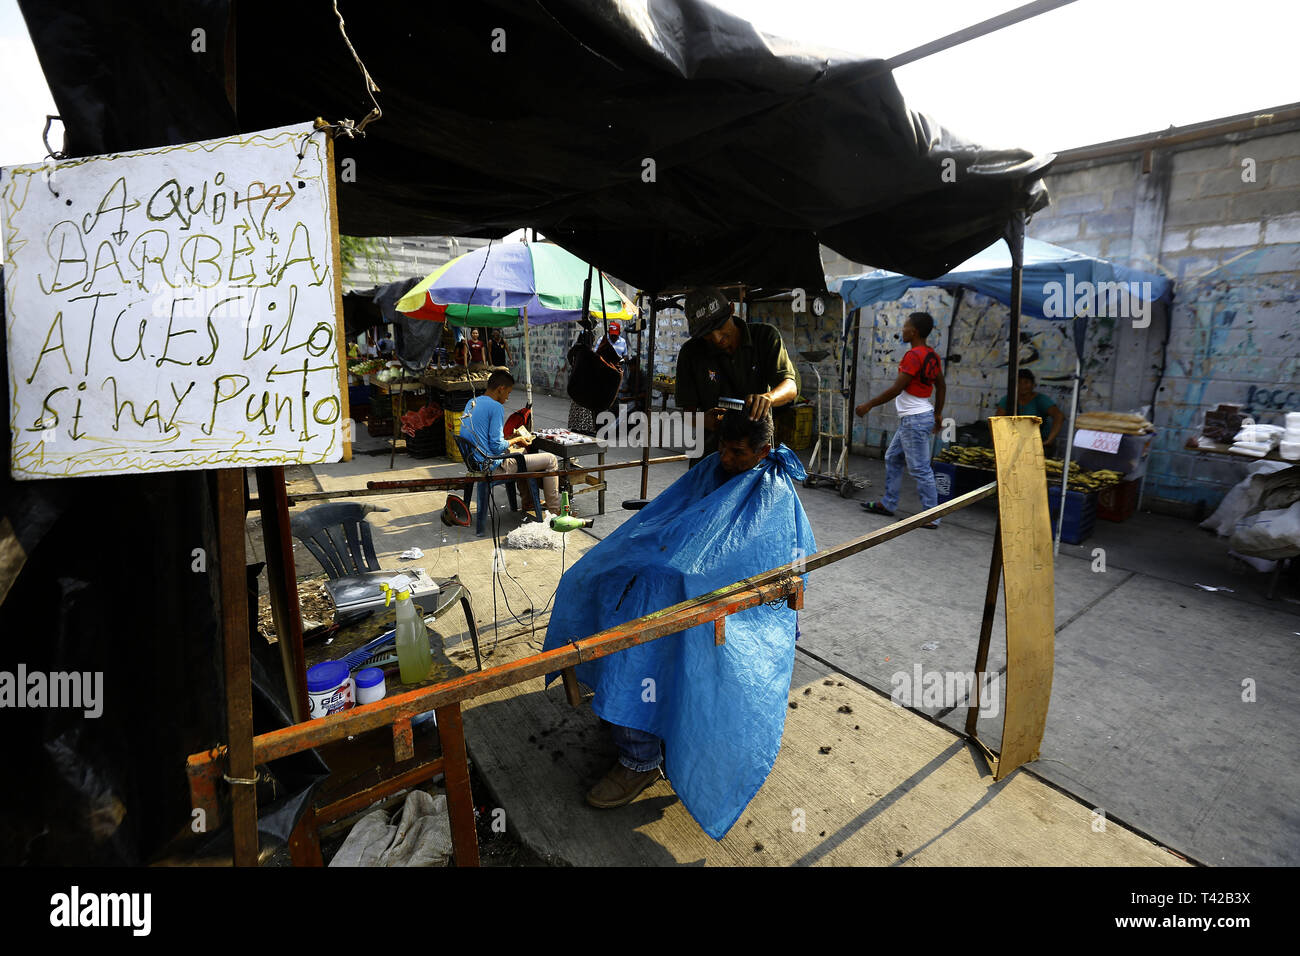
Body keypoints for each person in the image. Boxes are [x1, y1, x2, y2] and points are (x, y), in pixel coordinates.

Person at [675, 286, 797, 467]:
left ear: (732, 309)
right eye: (707, 334)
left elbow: (790, 386)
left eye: (719, 326)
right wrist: (704, 420)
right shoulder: (691, 353)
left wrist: (768, 398)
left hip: (755, 456)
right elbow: (687, 415)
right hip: (711, 456)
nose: (716, 338)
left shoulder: (765, 337)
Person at [855, 311, 946, 528]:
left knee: (920, 468)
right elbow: (941, 385)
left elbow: (897, 389)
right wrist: (938, 413)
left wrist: (868, 405)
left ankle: (931, 516)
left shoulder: (914, 356)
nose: (902, 330)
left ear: (913, 331)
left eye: (905, 326)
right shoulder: (931, 355)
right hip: (916, 418)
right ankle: (888, 503)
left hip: (914, 420)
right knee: (893, 458)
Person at [459, 370, 562, 515]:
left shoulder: (472, 402)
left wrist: (509, 438)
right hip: (491, 465)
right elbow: (496, 447)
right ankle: (555, 512)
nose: (507, 397)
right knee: (551, 460)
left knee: (523, 453)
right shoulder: (496, 407)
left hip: (474, 461)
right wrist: (518, 439)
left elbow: (485, 437)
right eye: (508, 393)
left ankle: (528, 502)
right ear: (501, 389)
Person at [995, 369, 1063, 453]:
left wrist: (1050, 440)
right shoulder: (1008, 400)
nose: (1022, 386)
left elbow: (1059, 416)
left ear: (1033, 385)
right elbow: (997, 422)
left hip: (1038, 442)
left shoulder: (1041, 400)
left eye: (1026, 382)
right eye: (1019, 382)